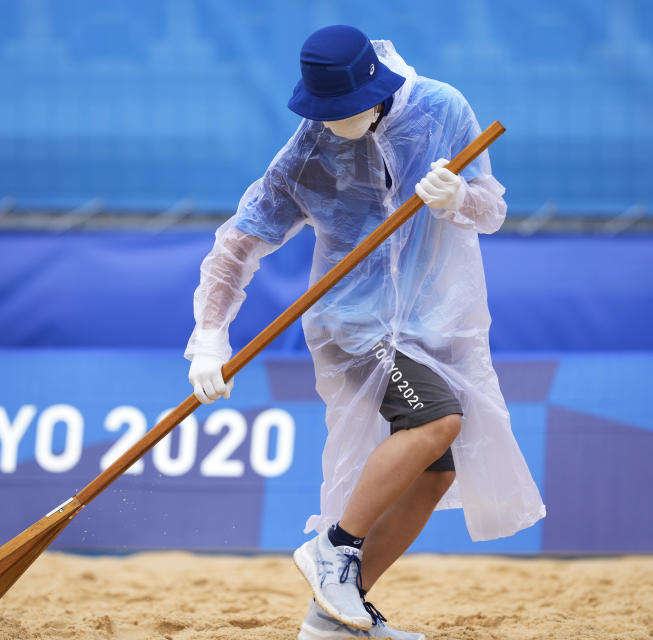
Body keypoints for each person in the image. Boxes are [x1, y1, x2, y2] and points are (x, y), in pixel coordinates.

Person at [185, 25, 545, 640]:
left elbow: (492, 209)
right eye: (323, 112)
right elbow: (238, 243)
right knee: (436, 419)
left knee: (437, 469)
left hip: (431, 325)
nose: (333, 122)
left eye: (344, 109)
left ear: (376, 89)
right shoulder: (306, 153)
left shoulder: (443, 109)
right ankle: (335, 548)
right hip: (354, 326)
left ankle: (334, 619)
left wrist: (458, 196)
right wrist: (210, 336)